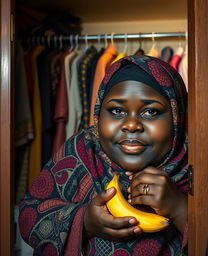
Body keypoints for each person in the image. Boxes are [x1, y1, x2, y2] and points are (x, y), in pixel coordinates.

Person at [19, 55, 188, 256]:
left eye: (150, 112)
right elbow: (28, 217)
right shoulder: (83, 149)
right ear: (99, 113)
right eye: (117, 110)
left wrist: (179, 208)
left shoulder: (197, 160)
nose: (131, 125)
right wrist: (85, 222)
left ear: (177, 116)